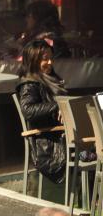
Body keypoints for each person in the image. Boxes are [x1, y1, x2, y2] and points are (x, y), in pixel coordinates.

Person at [15, 39, 67, 184]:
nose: (50, 63)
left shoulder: (52, 80)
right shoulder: (29, 83)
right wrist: (57, 106)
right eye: (45, 59)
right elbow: (28, 110)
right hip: (50, 146)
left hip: (63, 137)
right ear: (33, 61)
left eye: (51, 58)